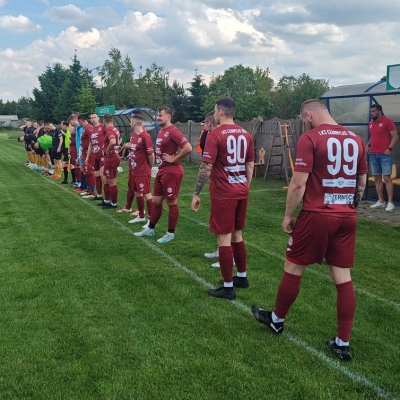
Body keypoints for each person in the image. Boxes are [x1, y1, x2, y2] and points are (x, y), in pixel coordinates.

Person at [251, 99, 368, 362]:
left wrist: (288, 214)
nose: (304, 123)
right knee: (343, 278)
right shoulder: (356, 139)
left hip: (317, 213)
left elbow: (297, 184)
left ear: (309, 114)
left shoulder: (311, 137)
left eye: (303, 119)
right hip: (346, 215)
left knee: (293, 267)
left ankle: (276, 320)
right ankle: (342, 343)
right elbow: (360, 182)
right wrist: (350, 208)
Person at [191, 98, 254, 300]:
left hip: (223, 192)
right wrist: (244, 186)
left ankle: (228, 288)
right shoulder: (246, 134)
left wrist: (196, 193)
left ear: (220, 112)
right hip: (241, 189)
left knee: (223, 238)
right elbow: (250, 165)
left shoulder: (215, 135)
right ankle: (241, 277)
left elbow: (206, 167)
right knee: (237, 235)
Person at [134, 106, 192, 243]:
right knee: (156, 201)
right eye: (158, 115)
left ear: (168, 117)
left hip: (172, 171)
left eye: (160, 115)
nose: (158, 118)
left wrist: (174, 158)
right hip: (162, 170)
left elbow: (188, 147)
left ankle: (170, 233)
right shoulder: (162, 130)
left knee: (171, 202)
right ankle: (150, 229)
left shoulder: (173, 131)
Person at [117, 113, 154, 224]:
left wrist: (149, 167)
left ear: (134, 123)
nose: (129, 123)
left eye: (130, 121)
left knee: (146, 193)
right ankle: (141, 216)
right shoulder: (135, 135)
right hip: (134, 169)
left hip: (142, 170)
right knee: (137, 192)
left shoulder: (145, 136)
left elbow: (151, 155)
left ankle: (151, 219)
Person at [366, 104, 398, 212]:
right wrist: (368, 145)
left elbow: (395, 136)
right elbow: (373, 137)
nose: (371, 113)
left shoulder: (388, 121)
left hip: (385, 155)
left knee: (387, 178)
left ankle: (390, 203)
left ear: (379, 111)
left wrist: (389, 148)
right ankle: (381, 201)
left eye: (373, 111)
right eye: (370, 111)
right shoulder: (370, 123)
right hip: (373, 154)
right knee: (377, 178)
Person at [100, 113, 121, 208]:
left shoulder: (109, 130)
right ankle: (107, 200)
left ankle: (114, 203)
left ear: (104, 121)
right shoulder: (115, 129)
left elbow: (112, 142)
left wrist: (107, 150)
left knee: (111, 181)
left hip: (111, 157)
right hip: (113, 157)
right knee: (106, 179)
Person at [87, 113, 106, 200]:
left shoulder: (103, 127)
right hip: (95, 154)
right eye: (91, 118)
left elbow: (110, 137)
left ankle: (107, 197)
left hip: (102, 154)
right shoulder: (92, 130)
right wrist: (87, 157)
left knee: (103, 175)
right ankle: (99, 194)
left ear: (98, 118)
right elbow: (90, 144)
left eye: (95, 117)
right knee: (96, 174)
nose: (93, 119)